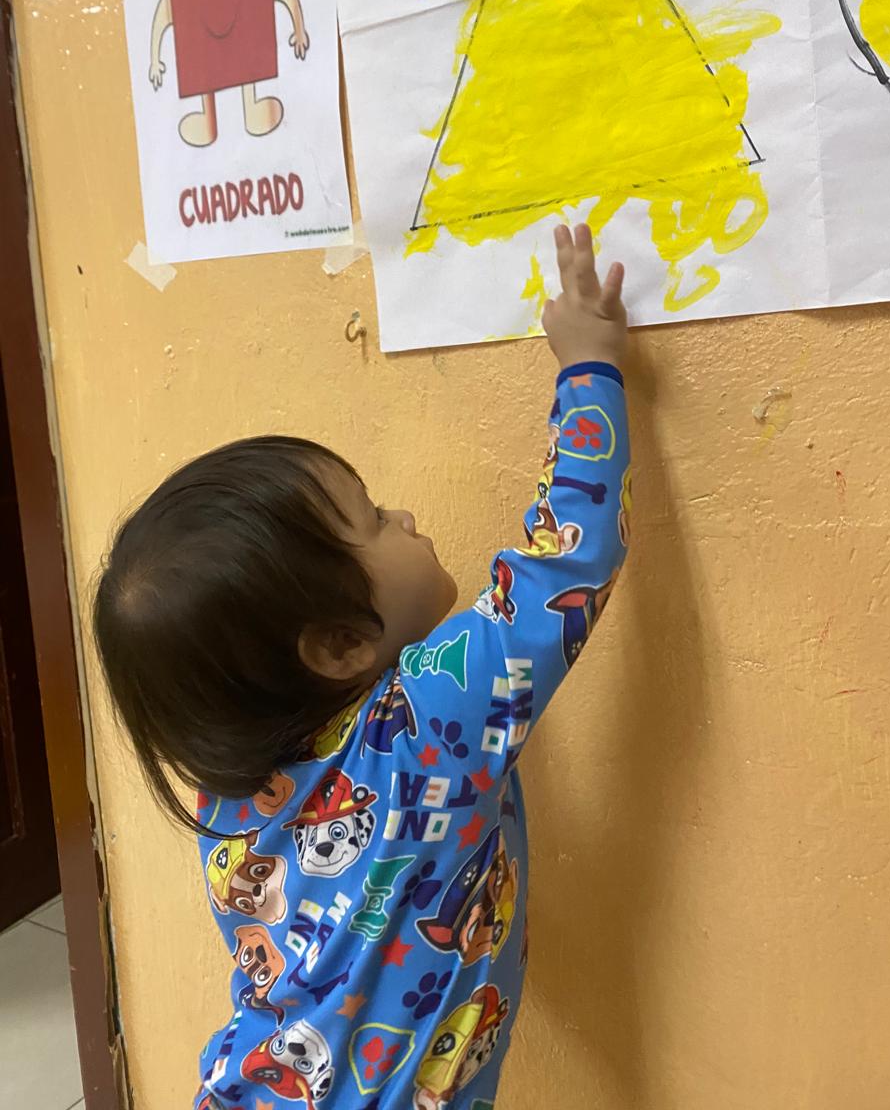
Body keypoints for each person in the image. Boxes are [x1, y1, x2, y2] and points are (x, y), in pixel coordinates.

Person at [94, 223, 631, 1110]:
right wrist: (589, 367)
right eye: (377, 518)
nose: (407, 517)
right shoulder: (433, 717)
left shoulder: (227, 793)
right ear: (339, 645)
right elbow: (566, 565)